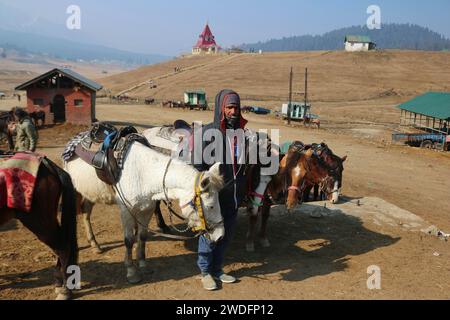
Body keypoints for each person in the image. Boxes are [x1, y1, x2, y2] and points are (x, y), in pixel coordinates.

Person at [192, 89, 248, 291]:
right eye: (230, 107)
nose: (234, 111)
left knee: (226, 235)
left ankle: (217, 269)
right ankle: (205, 272)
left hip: (233, 197)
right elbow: (196, 166)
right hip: (213, 199)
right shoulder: (207, 133)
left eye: (236, 107)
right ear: (221, 109)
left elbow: (242, 165)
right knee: (209, 234)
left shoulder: (241, 134)